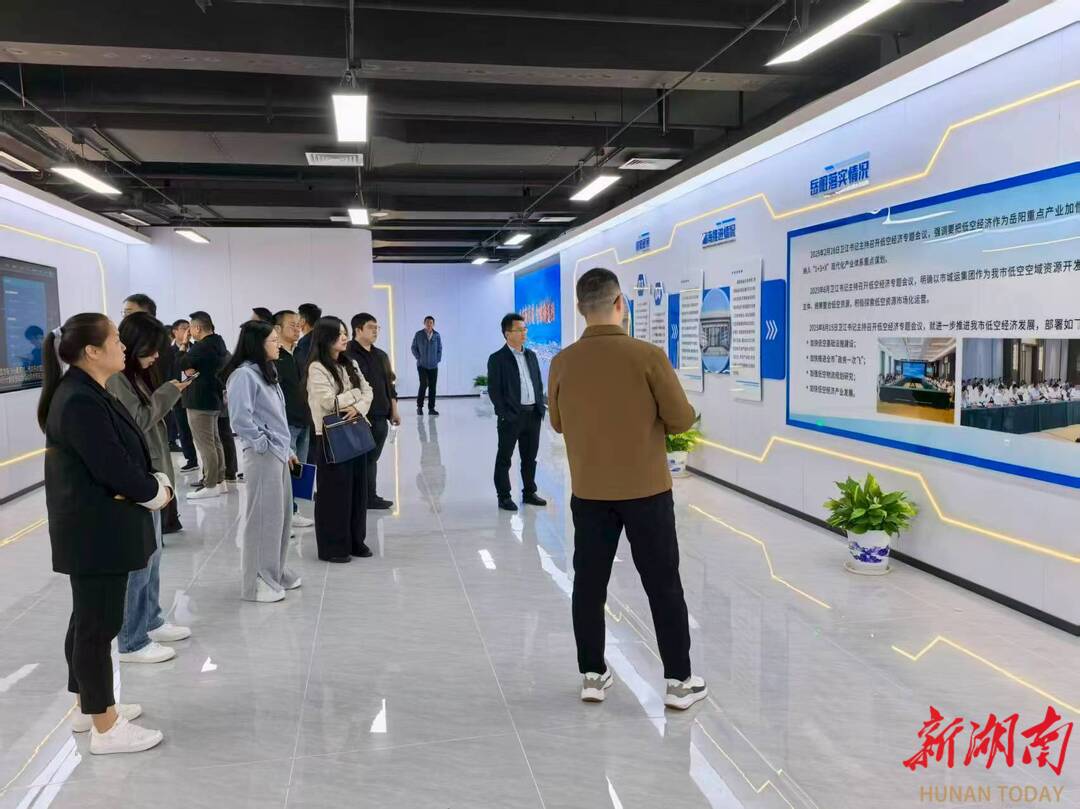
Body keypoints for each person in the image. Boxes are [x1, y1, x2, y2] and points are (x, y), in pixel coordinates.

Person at [548, 267, 706, 711]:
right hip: (646, 491)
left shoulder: (562, 362)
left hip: (590, 492)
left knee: (589, 583)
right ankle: (678, 681)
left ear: (581, 308)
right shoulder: (648, 356)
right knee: (662, 583)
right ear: (621, 304)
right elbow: (680, 419)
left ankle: (592, 675)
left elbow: (557, 423)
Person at [38, 313, 168, 754]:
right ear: (92, 351)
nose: (123, 345)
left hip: (95, 529)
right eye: (115, 339)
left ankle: (87, 705)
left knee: (87, 620)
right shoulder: (79, 400)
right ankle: (106, 727)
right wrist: (154, 492)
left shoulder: (89, 391)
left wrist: (147, 484)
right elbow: (112, 465)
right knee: (98, 626)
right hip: (95, 532)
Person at [106, 312, 193, 663]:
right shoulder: (116, 380)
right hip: (137, 481)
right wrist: (169, 392)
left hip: (151, 477)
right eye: (152, 349)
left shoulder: (134, 377)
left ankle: (150, 620)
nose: (156, 356)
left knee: (153, 556)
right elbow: (139, 420)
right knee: (139, 562)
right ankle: (131, 639)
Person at [224, 321, 302, 602]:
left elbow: (276, 418)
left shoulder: (267, 372)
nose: (278, 345)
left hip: (278, 453)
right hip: (262, 456)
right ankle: (256, 581)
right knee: (261, 519)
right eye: (273, 340)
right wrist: (262, 443)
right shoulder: (243, 375)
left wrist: (287, 449)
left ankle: (274, 571)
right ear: (257, 344)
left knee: (280, 517)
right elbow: (240, 419)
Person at [306, 316, 373, 562]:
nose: (345, 338)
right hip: (329, 436)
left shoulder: (350, 363)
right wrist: (354, 395)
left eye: (345, 333)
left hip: (354, 429)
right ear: (326, 338)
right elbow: (328, 402)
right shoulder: (317, 368)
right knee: (334, 494)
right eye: (339, 334)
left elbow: (369, 391)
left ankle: (356, 541)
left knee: (357, 491)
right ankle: (334, 547)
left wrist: (358, 407)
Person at [487, 313, 547, 512]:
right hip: (512, 417)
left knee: (530, 458)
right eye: (519, 330)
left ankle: (529, 492)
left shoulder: (531, 356)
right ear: (507, 334)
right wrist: (505, 413)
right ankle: (504, 496)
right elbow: (494, 391)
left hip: (533, 415)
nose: (524, 333)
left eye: (525, 329)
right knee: (505, 458)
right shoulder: (497, 359)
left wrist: (540, 408)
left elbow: (537, 383)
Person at [347, 312, 400, 510]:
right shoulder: (347, 354)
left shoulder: (381, 355)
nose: (375, 331)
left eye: (377, 327)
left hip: (380, 415)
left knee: (372, 458)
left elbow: (389, 385)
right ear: (358, 330)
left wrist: (394, 410)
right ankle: (361, 496)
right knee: (360, 459)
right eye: (371, 327)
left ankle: (369, 496)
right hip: (358, 416)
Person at [180, 310, 229, 500]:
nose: (190, 332)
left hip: (199, 401)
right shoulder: (218, 343)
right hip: (213, 399)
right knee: (214, 442)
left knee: (205, 444)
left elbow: (181, 363)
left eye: (190, 328)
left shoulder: (202, 347)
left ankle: (210, 484)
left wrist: (183, 345)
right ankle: (220, 481)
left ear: (198, 328)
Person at [273, 309, 314, 527]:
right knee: (285, 470)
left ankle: (293, 510)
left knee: (300, 469)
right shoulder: (274, 357)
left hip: (304, 419)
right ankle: (284, 514)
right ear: (277, 328)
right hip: (285, 422)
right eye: (292, 324)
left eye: (299, 324)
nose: (297, 328)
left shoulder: (299, 353)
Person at [168, 319, 200, 474]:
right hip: (178, 393)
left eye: (189, 328)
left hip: (195, 393)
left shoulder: (195, 348)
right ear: (175, 331)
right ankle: (191, 460)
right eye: (184, 328)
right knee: (183, 429)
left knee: (200, 429)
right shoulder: (168, 351)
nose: (188, 331)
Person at [411, 315, 442, 415]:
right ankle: (419, 407)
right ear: (424, 323)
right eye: (427, 322)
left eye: (431, 322)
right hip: (422, 365)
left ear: (433, 324)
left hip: (433, 366)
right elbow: (413, 347)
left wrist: (437, 360)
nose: (429, 324)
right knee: (423, 384)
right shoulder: (419, 334)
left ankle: (431, 409)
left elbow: (439, 349)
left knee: (433, 387)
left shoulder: (437, 335)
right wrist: (419, 358)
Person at [294, 303, 321, 369]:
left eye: (297, 318)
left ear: (303, 321)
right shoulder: (323, 338)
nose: (296, 322)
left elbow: (302, 368)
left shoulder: (304, 342)